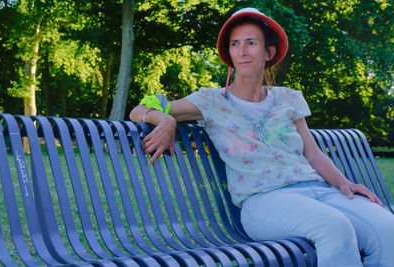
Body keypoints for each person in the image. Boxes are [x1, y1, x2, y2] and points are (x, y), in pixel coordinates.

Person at [130, 7, 394, 267]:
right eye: (235, 44)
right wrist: (164, 119)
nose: (242, 51)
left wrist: (343, 183)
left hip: (318, 191)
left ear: (269, 52)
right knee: (335, 228)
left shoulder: (289, 98)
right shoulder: (211, 101)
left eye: (251, 43)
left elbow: (312, 153)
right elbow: (140, 109)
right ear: (229, 53)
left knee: (387, 229)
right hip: (264, 201)